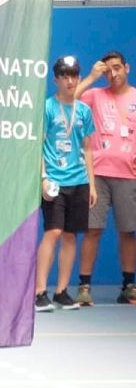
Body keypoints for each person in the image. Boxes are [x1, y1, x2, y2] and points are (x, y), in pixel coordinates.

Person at [74, 50, 136, 305]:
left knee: (127, 231)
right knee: (93, 230)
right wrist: (91, 77)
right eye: (108, 70)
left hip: (128, 176)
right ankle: (84, 287)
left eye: (117, 68)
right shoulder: (96, 95)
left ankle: (129, 286)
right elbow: (69, 99)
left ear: (126, 68)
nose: (113, 74)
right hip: (97, 175)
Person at [35, 56, 96, 312]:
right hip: (54, 182)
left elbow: (88, 149)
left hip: (80, 181)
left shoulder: (84, 111)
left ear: (78, 78)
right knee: (53, 232)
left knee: (71, 236)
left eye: (74, 75)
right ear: (56, 79)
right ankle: (39, 292)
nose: (70, 80)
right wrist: (43, 178)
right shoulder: (47, 108)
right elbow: (37, 145)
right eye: (64, 76)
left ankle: (61, 291)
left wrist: (92, 184)